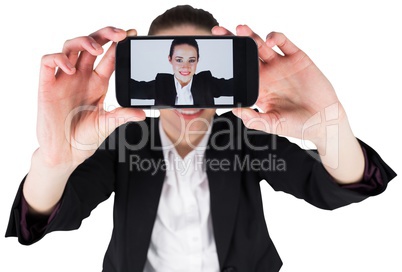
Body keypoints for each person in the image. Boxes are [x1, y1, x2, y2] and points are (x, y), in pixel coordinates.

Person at [5, 4, 396, 272]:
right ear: (166, 62)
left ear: (203, 64)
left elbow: (330, 187)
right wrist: (53, 161)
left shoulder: (245, 131)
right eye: (178, 60)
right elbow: (48, 217)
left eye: (194, 60)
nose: (186, 69)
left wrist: (330, 124)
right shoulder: (125, 140)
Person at [130, 37, 234, 106]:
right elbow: (130, 89)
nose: (186, 66)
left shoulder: (206, 82)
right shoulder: (162, 84)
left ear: (198, 60)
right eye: (179, 60)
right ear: (170, 59)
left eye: (191, 60)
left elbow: (239, 86)